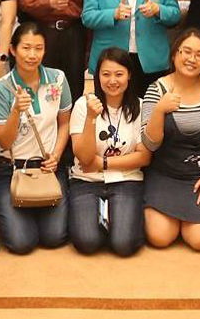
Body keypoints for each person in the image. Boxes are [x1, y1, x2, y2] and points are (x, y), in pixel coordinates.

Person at [0, 22, 73, 254]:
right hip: (11, 170)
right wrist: (16, 111)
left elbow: (64, 123)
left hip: (47, 168)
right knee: (22, 242)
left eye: (38, 48)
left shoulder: (58, 78)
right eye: (26, 48)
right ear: (13, 50)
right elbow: (4, 142)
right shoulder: (0, 88)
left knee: (54, 237)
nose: (32, 55)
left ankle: (34, 212)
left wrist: (56, 156)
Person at [141, 28, 200, 252]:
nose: (192, 59)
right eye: (186, 51)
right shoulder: (156, 88)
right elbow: (150, 144)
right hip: (165, 173)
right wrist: (160, 110)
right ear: (174, 54)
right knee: (160, 237)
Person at [67, 48, 151, 256]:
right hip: (86, 180)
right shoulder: (83, 105)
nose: (112, 81)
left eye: (119, 74)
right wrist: (91, 118)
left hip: (127, 179)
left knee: (123, 245)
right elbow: (84, 158)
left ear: (129, 75)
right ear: (97, 76)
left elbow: (143, 157)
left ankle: (116, 220)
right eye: (106, 74)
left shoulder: (141, 106)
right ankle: (105, 217)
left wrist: (102, 163)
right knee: (87, 242)